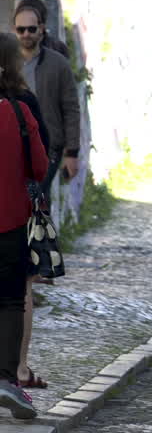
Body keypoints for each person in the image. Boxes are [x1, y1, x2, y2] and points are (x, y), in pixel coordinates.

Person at [13, 1, 79, 391]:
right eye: (20, 30)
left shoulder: (56, 65)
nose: (25, 36)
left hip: (48, 149)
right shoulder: (8, 65)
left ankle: (33, 262)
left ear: (42, 29)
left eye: (31, 29)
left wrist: (71, 152)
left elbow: (70, 108)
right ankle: (29, 261)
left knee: (36, 203)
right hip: (13, 153)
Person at [0, 32, 46, 419]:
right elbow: (40, 166)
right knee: (11, 301)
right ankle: (7, 381)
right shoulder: (20, 111)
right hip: (11, 222)